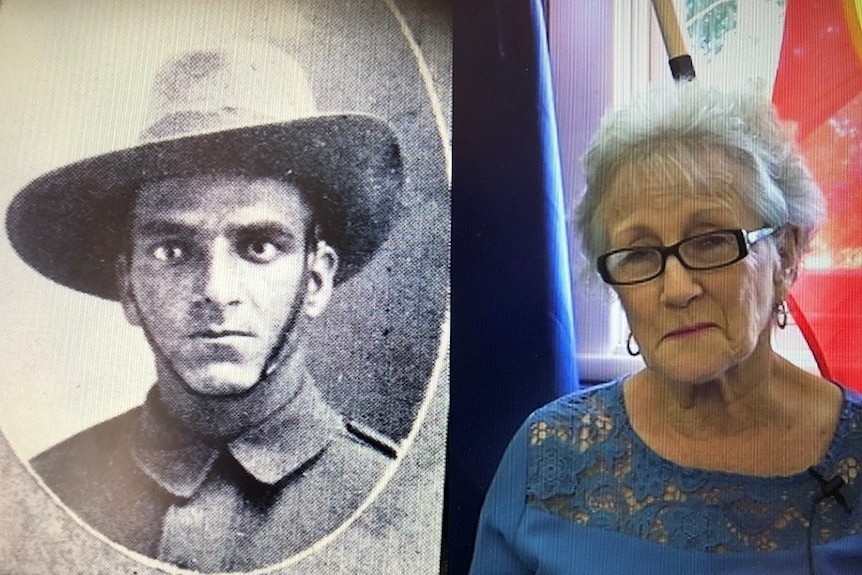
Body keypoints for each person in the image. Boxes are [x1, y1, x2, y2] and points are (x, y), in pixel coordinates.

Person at [5, 44, 403, 572]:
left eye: (258, 247)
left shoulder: (399, 499)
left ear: (314, 279)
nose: (216, 290)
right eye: (172, 250)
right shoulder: (43, 494)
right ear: (127, 284)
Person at [469, 84, 862, 574]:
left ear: (784, 253)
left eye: (711, 241)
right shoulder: (547, 453)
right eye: (638, 254)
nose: (676, 289)